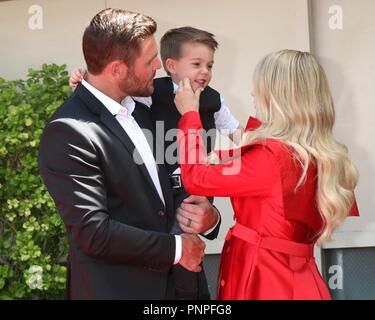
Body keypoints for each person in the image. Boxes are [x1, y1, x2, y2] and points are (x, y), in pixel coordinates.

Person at [39, 8, 220, 300]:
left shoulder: (145, 111)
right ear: (117, 70)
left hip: (184, 289)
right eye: (149, 61)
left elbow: (172, 188)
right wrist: (177, 249)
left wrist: (209, 218)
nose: (159, 66)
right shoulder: (68, 132)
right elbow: (94, 234)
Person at [174, 50, 360, 300]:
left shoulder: (272, 157)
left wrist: (189, 116)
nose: (252, 93)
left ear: (278, 95)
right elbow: (255, 149)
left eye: (258, 86)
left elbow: (196, 178)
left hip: (266, 282)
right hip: (291, 278)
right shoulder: (309, 152)